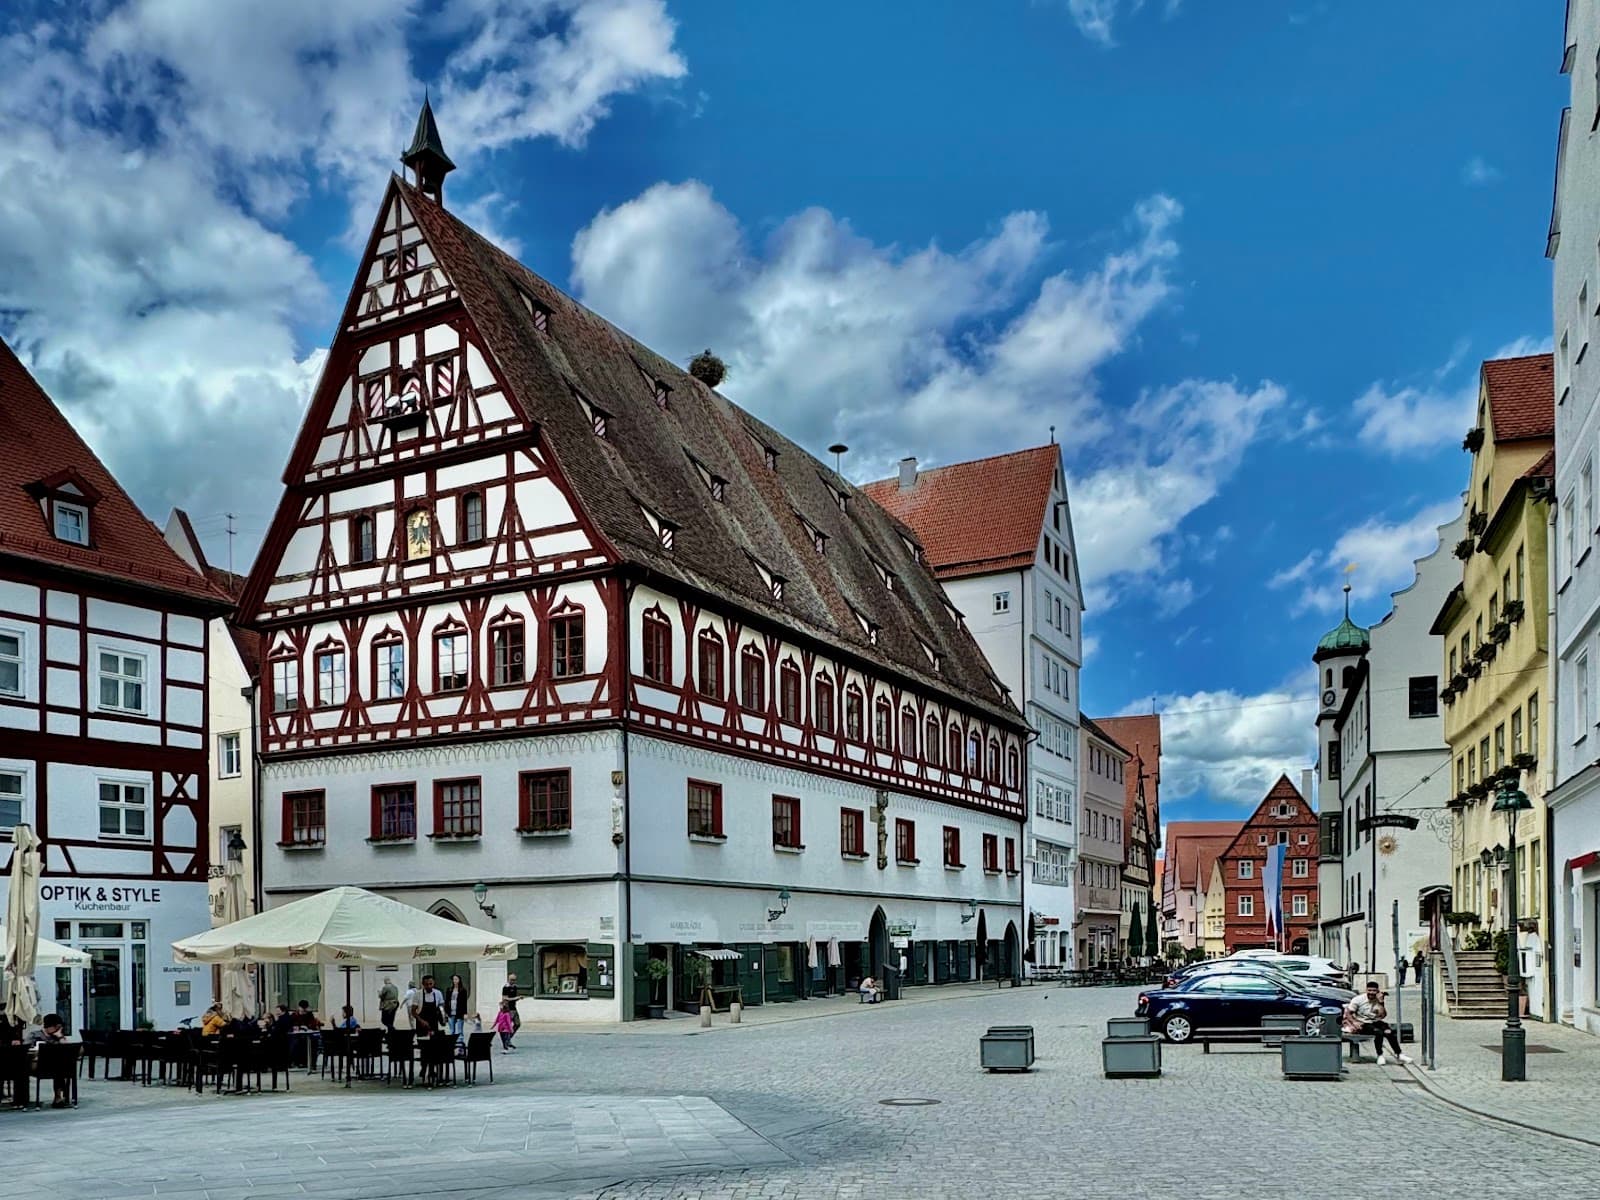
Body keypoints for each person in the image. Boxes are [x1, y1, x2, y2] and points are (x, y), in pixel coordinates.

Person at [1346, 981, 1411, 1065]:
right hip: (1363, 1023)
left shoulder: (1379, 999)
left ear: (1377, 991)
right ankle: (1380, 1055)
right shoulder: (1358, 1000)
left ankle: (1399, 1054)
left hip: (1376, 1021)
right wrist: (1354, 1022)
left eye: (1374, 991)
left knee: (1389, 1032)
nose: (1371, 993)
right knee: (1378, 1032)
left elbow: (1382, 1015)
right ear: (1366, 990)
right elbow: (1348, 1013)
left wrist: (1381, 1002)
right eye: (1369, 990)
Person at [29, 1014, 70, 1108]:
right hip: (37, 1065)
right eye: (57, 1027)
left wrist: (60, 1036)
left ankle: (58, 1097)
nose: (58, 1030)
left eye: (60, 1028)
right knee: (59, 1067)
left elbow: (68, 1050)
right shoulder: (34, 1035)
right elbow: (26, 1048)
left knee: (60, 1066)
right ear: (50, 1026)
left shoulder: (58, 1037)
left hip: (54, 1067)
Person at [445, 973, 470, 1043]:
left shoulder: (463, 990)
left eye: (456, 979)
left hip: (459, 1012)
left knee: (459, 1031)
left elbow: (464, 1003)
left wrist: (465, 1013)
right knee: (452, 1030)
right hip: (451, 1011)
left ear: (459, 980)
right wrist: (446, 1012)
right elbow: (446, 1001)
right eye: (454, 979)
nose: (455, 981)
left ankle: (460, 1047)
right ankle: (452, 1045)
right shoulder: (449, 989)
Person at [501, 973, 522, 1048]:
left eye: (514, 980)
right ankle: (506, 1042)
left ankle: (508, 1038)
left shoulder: (515, 987)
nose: (513, 981)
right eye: (511, 980)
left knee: (517, 1024)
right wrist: (515, 998)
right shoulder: (505, 987)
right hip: (508, 1009)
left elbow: (514, 997)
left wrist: (519, 997)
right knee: (507, 1026)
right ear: (508, 979)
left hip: (514, 1008)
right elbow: (505, 998)